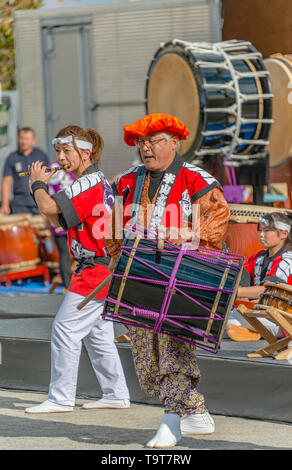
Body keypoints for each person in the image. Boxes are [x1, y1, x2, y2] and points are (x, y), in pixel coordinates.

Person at [103, 113, 230, 448]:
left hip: (184, 278)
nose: (146, 147)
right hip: (139, 277)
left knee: (174, 349)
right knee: (146, 356)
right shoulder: (129, 180)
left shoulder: (196, 179)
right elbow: (113, 220)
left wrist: (188, 230)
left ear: (174, 143)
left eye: (154, 140)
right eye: (142, 142)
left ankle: (172, 420)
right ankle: (196, 413)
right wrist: (115, 255)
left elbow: (218, 218)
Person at [25, 124, 130, 413]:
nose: (60, 157)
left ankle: (60, 398)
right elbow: (63, 220)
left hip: (96, 269)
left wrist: (37, 184)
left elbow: (48, 208)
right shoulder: (95, 182)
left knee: (64, 329)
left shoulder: (88, 183)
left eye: (66, 151)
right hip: (100, 267)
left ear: (85, 152)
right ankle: (116, 393)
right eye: (58, 150)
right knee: (98, 336)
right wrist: (42, 196)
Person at [227, 212, 292, 341]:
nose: (261, 235)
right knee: (222, 318)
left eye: (267, 231)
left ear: (284, 234)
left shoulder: (287, 260)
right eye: (260, 230)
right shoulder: (257, 258)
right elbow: (241, 278)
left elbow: (267, 290)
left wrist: (236, 291)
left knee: (232, 323)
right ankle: (251, 332)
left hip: (283, 320)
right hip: (261, 314)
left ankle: (252, 332)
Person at [0, 127, 49, 215]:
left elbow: (49, 178)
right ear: (18, 139)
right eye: (22, 138)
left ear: (33, 141)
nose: (24, 142)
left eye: (27, 139)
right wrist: (5, 204)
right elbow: (6, 182)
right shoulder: (12, 157)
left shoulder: (41, 156)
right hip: (19, 205)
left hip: (39, 203)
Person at [47, 161, 76, 290]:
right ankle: (71, 285)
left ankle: (68, 284)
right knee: (71, 253)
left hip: (59, 217)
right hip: (72, 217)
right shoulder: (73, 167)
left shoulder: (49, 169)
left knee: (65, 254)